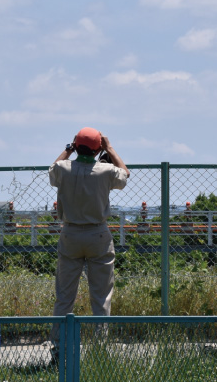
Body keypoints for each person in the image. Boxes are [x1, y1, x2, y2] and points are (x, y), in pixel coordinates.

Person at [48, 127, 129, 361]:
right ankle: (100, 351)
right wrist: (110, 148)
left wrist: (68, 150)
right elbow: (125, 174)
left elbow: (52, 170)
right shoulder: (105, 171)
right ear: (98, 149)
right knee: (101, 296)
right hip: (98, 235)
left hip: (70, 233)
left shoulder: (64, 169)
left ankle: (58, 350)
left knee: (64, 297)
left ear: (76, 144)